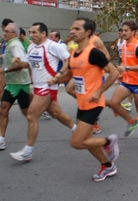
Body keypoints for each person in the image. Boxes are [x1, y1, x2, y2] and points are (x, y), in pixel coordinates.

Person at [48, 18, 120, 182]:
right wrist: (56, 79)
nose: (72, 31)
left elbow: (114, 73)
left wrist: (99, 91)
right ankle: (108, 166)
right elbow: (72, 75)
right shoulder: (74, 54)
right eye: (72, 28)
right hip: (82, 102)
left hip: (93, 103)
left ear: (88, 32)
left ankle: (108, 141)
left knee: (77, 142)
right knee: (86, 140)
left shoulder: (94, 53)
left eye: (77, 29)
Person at [9, 22, 76, 161]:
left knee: (31, 116)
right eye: (30, 32)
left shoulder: (52, 46)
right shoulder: (32, 46)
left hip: (48, 87)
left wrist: (58, 75)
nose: (31, 35)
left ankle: (28, 151)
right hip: (38, 86)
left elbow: (69, 60)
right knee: (56, 113)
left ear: (43, 33)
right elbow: (27, 63)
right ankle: (78, 130)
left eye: (34, 32)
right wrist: (18, 62)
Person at [109, 20, 138, 145]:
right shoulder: (124, 45)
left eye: (126, 30)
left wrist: (127, 69)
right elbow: (125, 62)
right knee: (114, 103)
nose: (123, 33)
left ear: (134, 32)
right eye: (122, 30)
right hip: (126, 80)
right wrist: (121, 73)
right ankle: (131, 121)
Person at [0, 23, 32, 150]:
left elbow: (22, 64)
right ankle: (0, 140)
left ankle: (30, 145)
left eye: (7, 31)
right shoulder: (11, 44)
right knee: (2, 110)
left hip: (21, 84)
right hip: (12, 84)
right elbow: (9, 56)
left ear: (14, 34)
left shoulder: (16, 45)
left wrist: (4, 70)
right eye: (4, 31)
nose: (4, 33)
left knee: (29, 115)